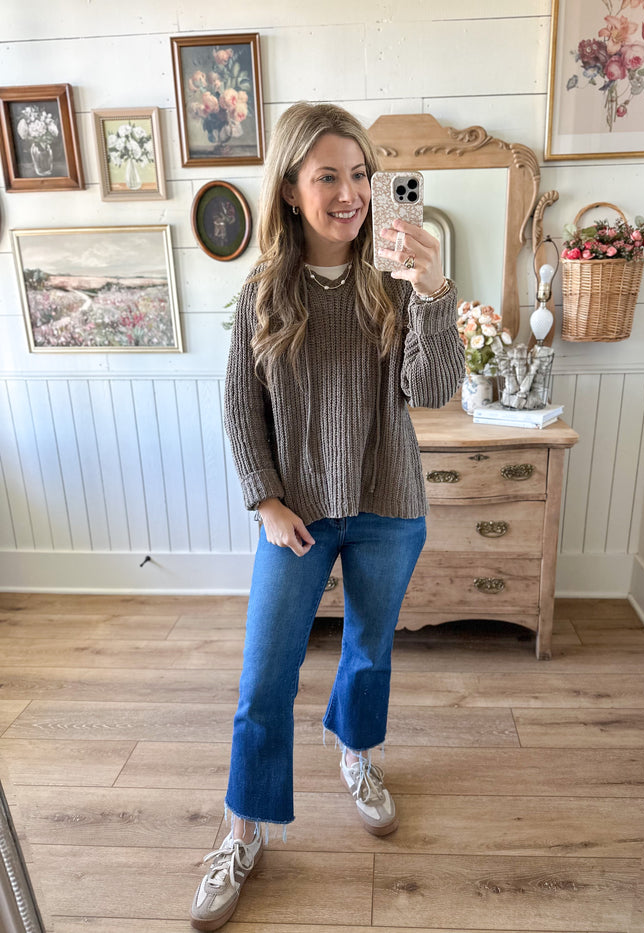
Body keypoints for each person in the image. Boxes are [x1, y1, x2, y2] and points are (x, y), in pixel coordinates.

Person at [190, 101, 464, 931]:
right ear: (290, 187)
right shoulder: (264, 291)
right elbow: (241, 407)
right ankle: (243, 828)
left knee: (369, 651)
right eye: (328, 177)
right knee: (263, 679)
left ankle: (357, 755)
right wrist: (265, 499)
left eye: (360, 175)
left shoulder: (395, 277)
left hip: (388, 502)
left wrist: (435, 290)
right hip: (298, 515)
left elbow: (432, 389)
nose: (350, 193)